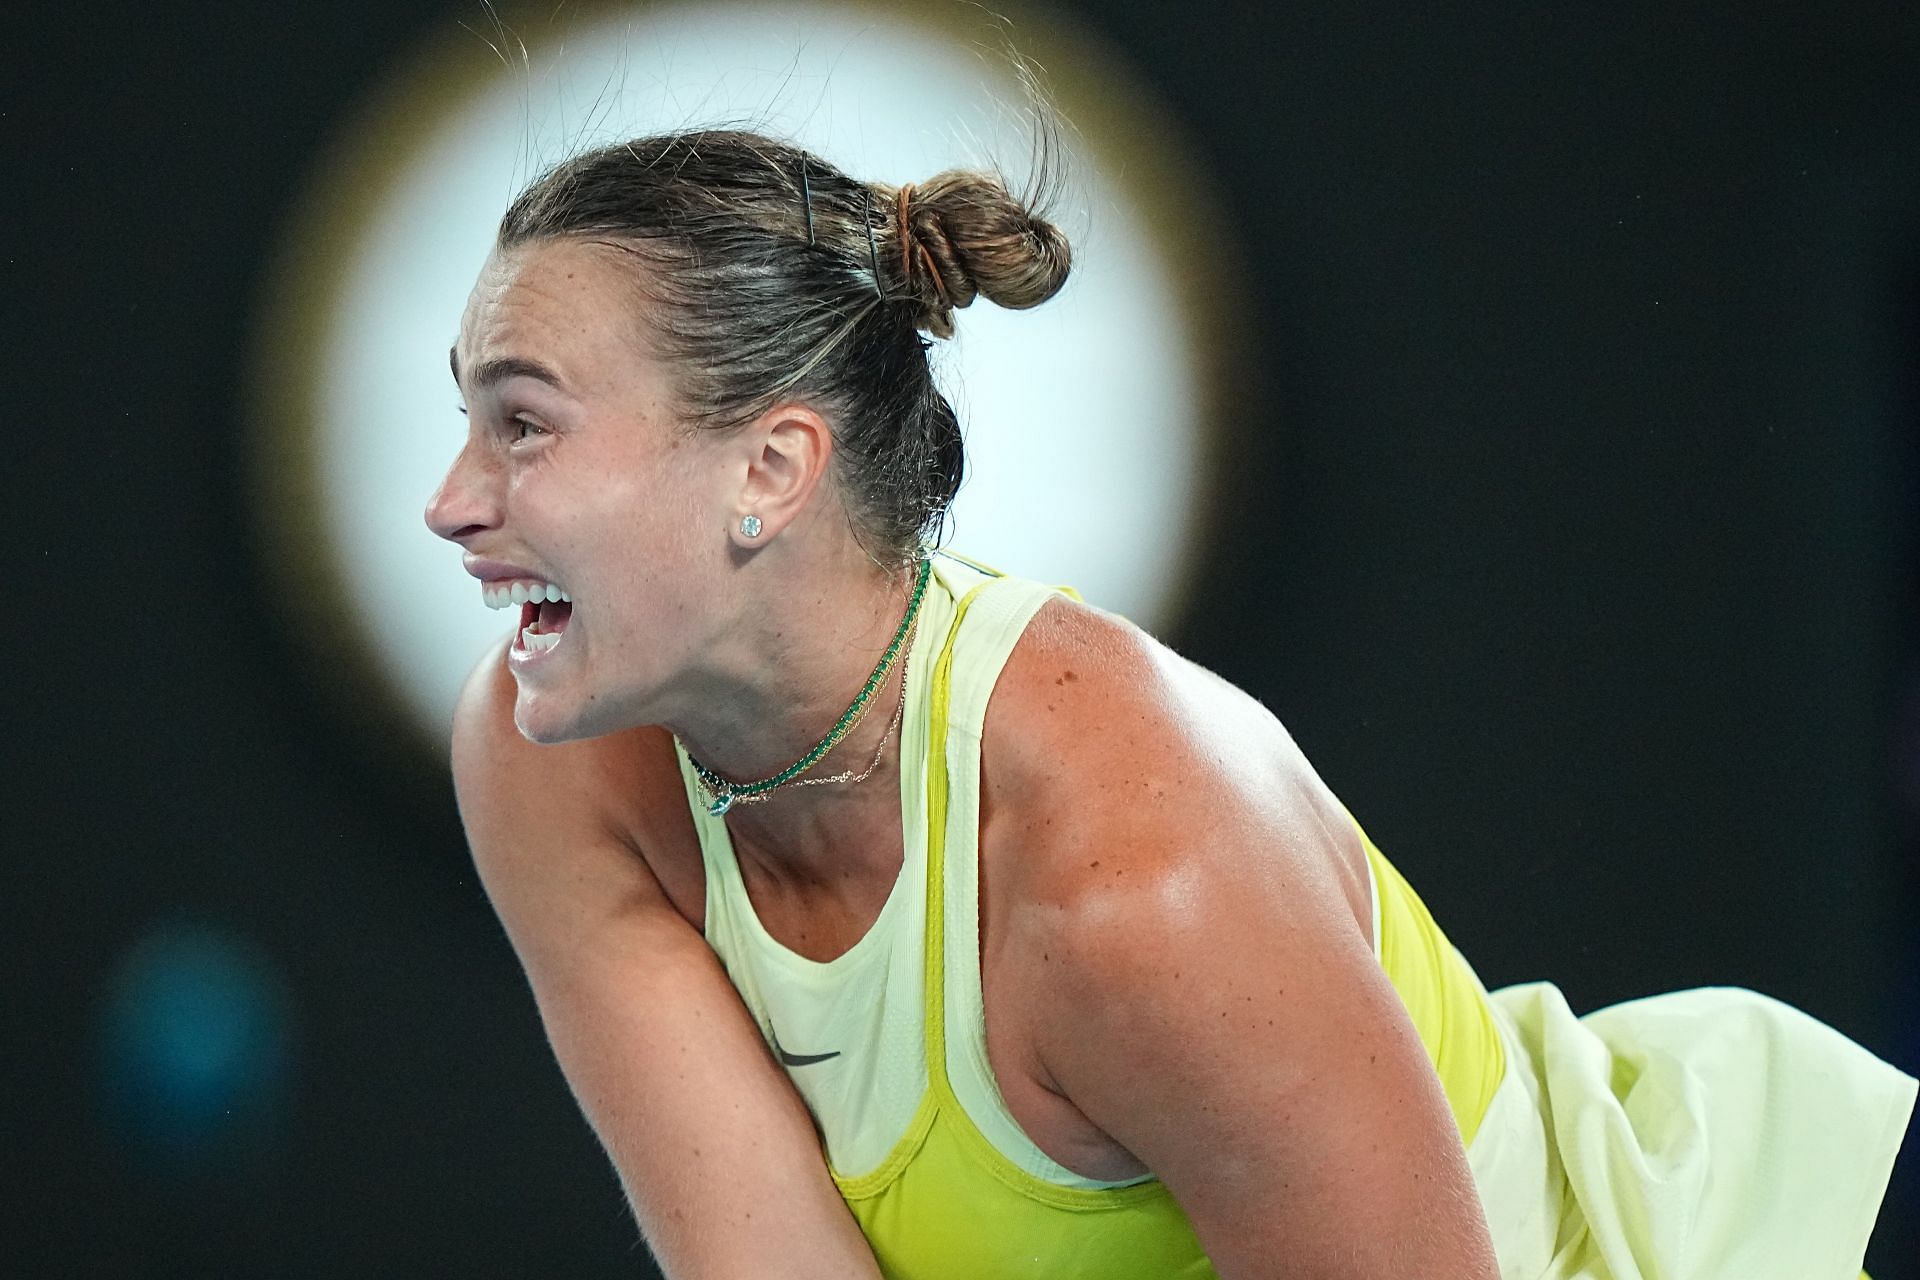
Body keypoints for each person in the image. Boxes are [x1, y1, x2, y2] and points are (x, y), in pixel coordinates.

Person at [425, 129, 1915, 1279]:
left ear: (771, 468)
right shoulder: (544, 757)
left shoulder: (1133, 877)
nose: (452, 502)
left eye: (525, 425)